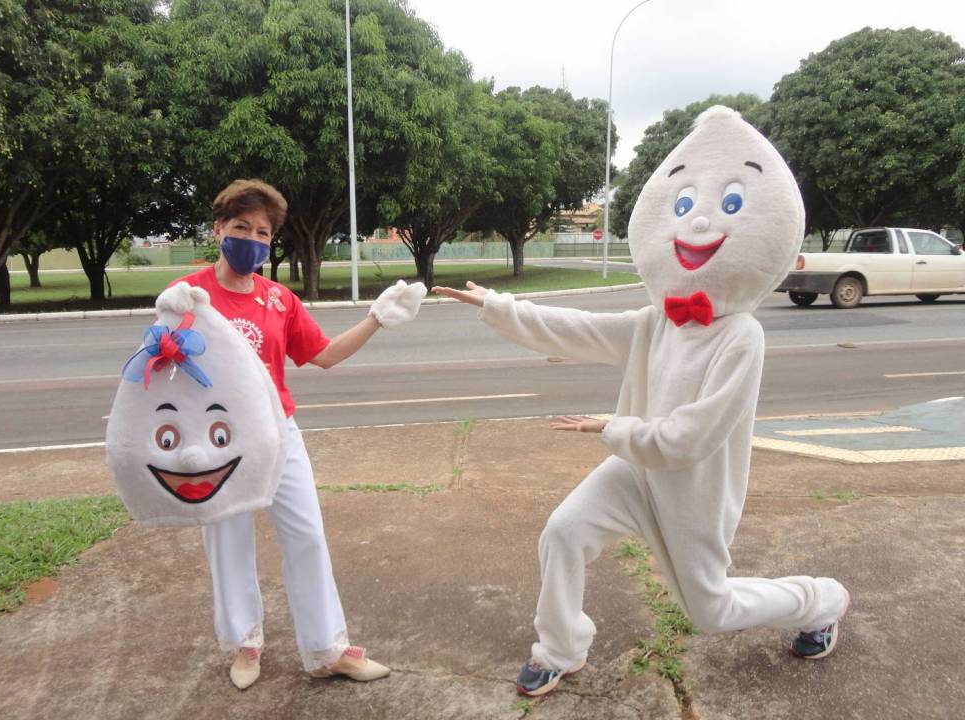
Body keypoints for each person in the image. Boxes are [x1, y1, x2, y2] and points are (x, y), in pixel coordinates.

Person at [435, 107, 849, 698]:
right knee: (563, 532)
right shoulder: (657, 322)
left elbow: (691, 438)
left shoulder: (741, 337)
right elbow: (580, 327)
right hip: (634, 471)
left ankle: (821, 600)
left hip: (693, 494)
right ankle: (559, 648)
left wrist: (612, 427)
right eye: (685, 204)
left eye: (731, 204)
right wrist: (498, 307)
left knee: (710, 610)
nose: (699, 220)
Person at [171, 179, 425, 689]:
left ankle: (328, 649)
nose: (252, 239)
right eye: (241, 227)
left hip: (277, 431)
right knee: (228, 541)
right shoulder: (188, 296)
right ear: (218, 229)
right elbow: (163, 368)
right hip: (219, 440)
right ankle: (246, 644)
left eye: (263, 233)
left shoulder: (279, 299)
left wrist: (376, 319)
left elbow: (323, 355)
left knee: (306, 535)